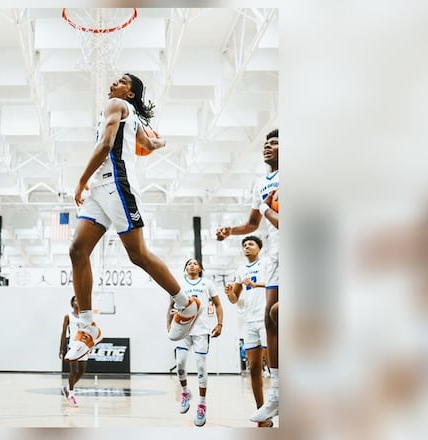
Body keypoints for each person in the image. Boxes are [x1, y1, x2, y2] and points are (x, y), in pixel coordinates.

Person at [65, 73, 203, 361]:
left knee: (137, 255)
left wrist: (80, 181)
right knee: (78, 250)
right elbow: (148, 145)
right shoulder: (132, 117)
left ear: (129, 94)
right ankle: (87, 326)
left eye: (122, 81)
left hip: (117, 185)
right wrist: (160, 143)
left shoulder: (115, 104)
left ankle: (185, 304)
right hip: (101, 190)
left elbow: (105, 145)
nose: (114, 82)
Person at [216, 129, 279, 422]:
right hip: (277, 258)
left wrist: (266, 208)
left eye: (275, 143)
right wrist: (232, 230)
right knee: (271, 318)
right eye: (266, 143)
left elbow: (270, 215)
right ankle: (271, 401)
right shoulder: (260, 184)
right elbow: (253, 222)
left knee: (276, 314)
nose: (268, 147)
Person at [224, 236, 274, 427]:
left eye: (251, 244)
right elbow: (234, 299)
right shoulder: (240, 270)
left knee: (273, 365)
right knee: (253, 368)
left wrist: (257, 285)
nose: (247, 247)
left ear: (259, 248)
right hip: (249, 322)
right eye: (244, 245)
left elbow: (276, 284)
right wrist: (229, 292)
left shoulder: (268, 263)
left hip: (266, 319)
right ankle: (263, 414)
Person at [167, 258, 223, 427]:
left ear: (200, 268)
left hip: (201, 330)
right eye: (189, 263)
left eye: (195, 263)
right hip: (184, 329)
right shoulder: (179, 284)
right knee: (179, 363)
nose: (192, 265)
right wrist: (168, 324)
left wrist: (219, 324)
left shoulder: (207, 283)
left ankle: (202, 404)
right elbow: (170, 305)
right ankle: (185, 392)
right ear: (185, 269)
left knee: (200, 366)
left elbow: (218, 305)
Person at [58, 296, 87, 407]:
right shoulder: (68, 316)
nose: (77, 302)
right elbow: (63, 333)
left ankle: (66, 388)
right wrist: (61, 348)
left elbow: (89, 332)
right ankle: (71, 395)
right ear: (72, 303)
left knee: (82, 371)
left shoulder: (86, 317)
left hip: (83, 346)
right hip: (73, 346)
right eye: (75, 300)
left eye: (78, 300)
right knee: (73, 371)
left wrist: (90, 345)